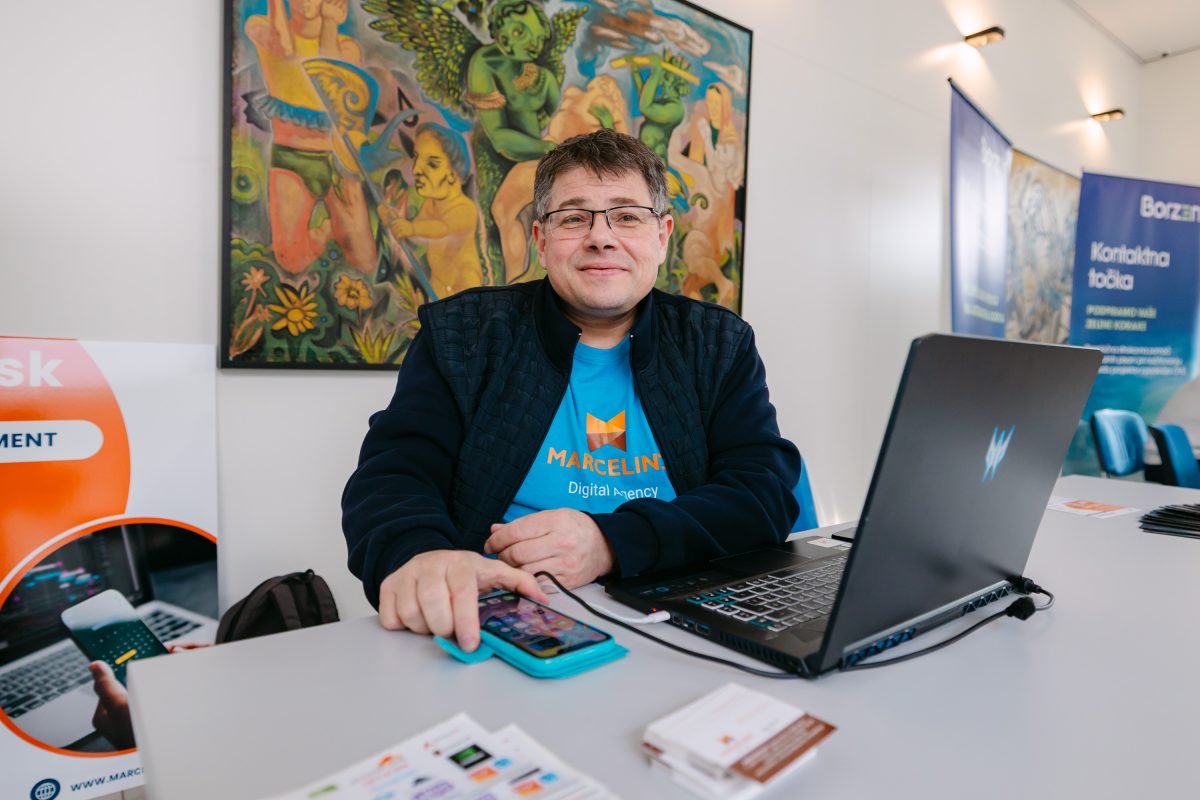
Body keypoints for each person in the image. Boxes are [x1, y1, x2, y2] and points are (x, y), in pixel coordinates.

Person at [342, 129, 799, 652]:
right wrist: (420, 554)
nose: (601, 237)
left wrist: (610, 542)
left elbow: (762, 492)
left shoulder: (718, 342)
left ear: (663, 236)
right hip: (495, 626)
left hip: (676, 624)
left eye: (627, 216)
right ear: (540, 240)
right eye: (574, 217)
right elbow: (394, 474)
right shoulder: (462, 335)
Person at [378, 123, 484, 297]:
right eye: (416, 158)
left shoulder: (465, 208)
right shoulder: (430, 204)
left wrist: (410, 228)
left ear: (453, 174)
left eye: (432, 164)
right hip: (439, 285)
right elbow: (416, 237)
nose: (416, 170)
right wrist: (393, 220)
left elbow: (442, 229)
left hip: (463, 287)